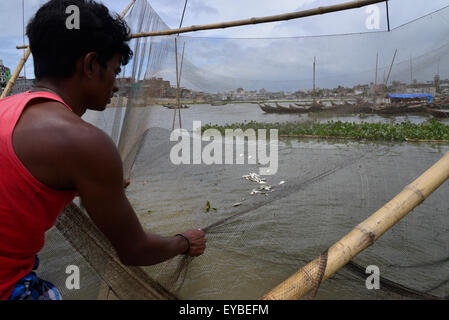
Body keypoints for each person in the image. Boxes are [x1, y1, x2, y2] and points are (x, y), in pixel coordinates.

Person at [0, 0, 206, 300]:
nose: (116, 86)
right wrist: (185, 242)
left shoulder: (7, 107)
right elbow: (135, 250)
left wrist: (89, 185)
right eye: (115, 70)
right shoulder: (85, 142)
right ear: (90, 64)